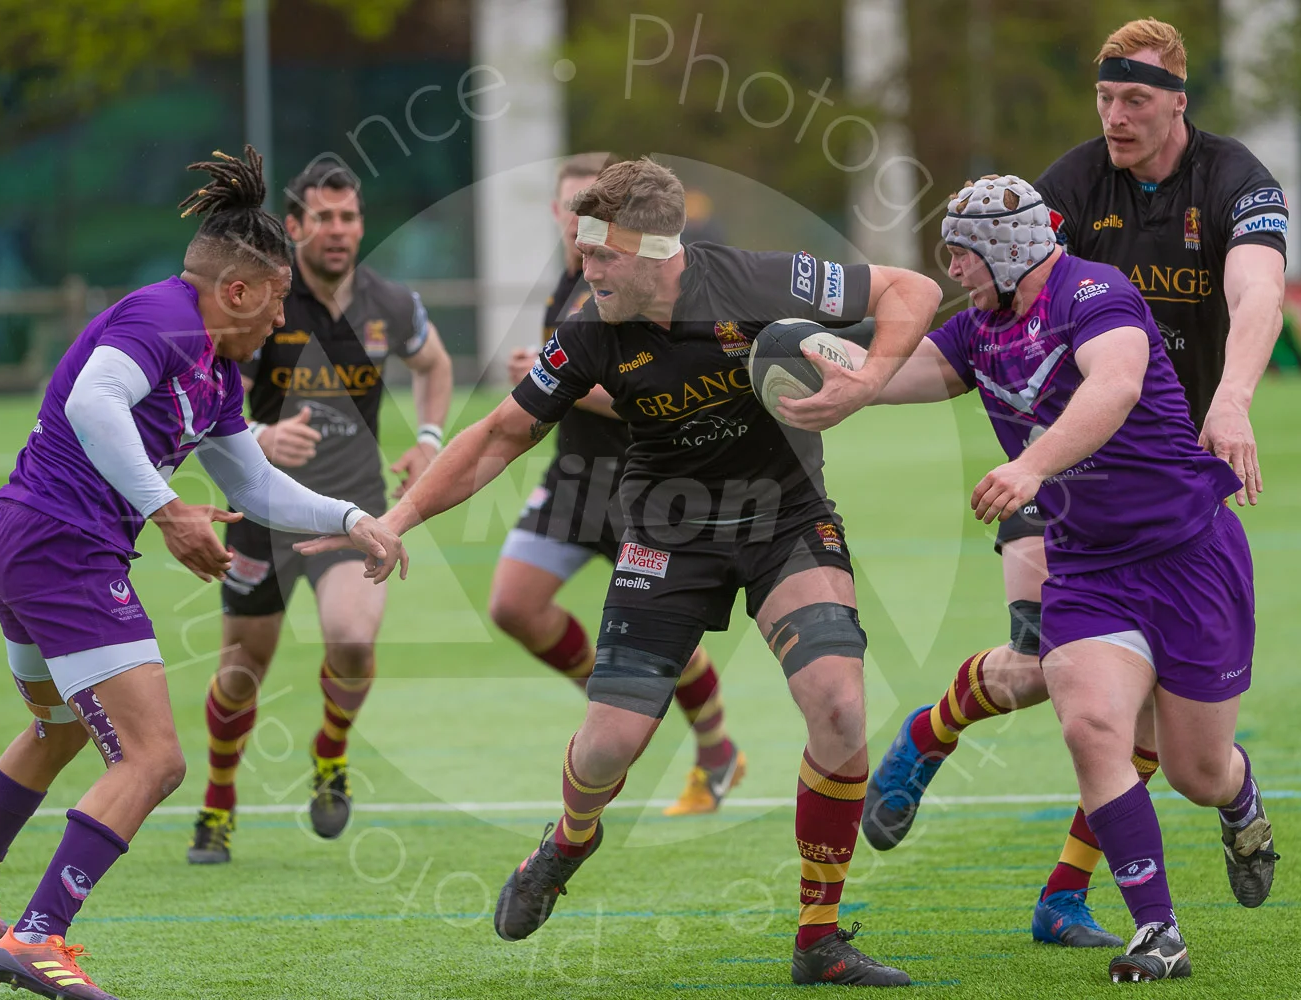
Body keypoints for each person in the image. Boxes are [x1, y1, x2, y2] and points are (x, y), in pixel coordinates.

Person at [298, 157, 944, 986]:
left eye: (601, 254)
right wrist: (394, 520)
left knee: (840, 705)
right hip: (668, 537)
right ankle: (567, 842)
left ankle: (818, 939)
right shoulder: (588, 331)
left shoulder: (757, 279)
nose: (585, 267)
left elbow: (911, 289)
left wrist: (867, 382)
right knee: (607, 748)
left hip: (784, 519)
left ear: (655, 250)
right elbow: (499, 435)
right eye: (581, 249)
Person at [0, 146, 403, 1000]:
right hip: (61, 550)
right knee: (154, 760)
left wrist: (353, 519)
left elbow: (254, 484)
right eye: (277, 299)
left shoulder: (218, 372)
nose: (280, 317)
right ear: (237, 290)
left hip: (23, 541)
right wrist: (168, 510)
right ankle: (38, 936)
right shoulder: (165, 318)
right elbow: (91, 402)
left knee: (59, 730)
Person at [859, 18, 1288, 947]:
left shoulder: (1234, 179)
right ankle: (938, 743)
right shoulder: (1074, 180)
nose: (1115, 116)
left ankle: (1066, 886)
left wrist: (1233, 399)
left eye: (1135, 99)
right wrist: (839, 377)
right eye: (1104, 98)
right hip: (1057, 462)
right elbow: (995, 288)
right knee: (1061, 675)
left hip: (1175, 464)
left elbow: (1256, 293)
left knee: (1169, 745)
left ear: (1178, 101)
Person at [785, 173, 1276, 981]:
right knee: (1090, 727)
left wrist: (1031, 465)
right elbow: (895, 372)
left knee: (1197, 771)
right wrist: (811, 358)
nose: (952, 269)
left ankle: (1241, 801)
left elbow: (1115, 385)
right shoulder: (978, 328)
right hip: (1086, 565)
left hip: (1189, 555)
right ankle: (1157, 931)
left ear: (1007, 251)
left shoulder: (1095, 294)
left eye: (962, 254)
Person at [187, 158, 452, 863]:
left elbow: (435, 364)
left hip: (351, 509)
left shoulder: (389, 303)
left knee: (353, 639)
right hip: (262, 509)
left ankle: (330, 753)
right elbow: (208, 385)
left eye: (349, 216)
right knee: (241, 672)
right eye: (324, 217)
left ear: (362, 224)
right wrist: (260, 436)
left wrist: (429, 438)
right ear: (296, 224)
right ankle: (218, 802)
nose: (339, 230)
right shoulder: (266, 299)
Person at [495, 153, 745, 816]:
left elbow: (640, 397)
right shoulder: (568, 284)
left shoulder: (632, 287)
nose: (584, 223)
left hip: (640, 484)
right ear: (558, 212)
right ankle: (616, 698)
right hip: (573, 477)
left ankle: (716, 749)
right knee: (513, 604)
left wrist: (554, 387)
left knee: (663, 641)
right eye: (573, 206)